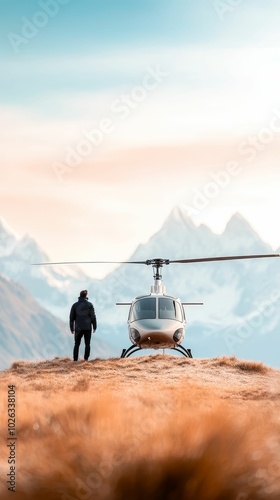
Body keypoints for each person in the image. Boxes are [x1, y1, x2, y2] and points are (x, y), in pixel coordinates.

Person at [69, 290, 97, 361]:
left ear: (80, 296)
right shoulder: (90, 305)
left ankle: (75, 360)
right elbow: (93, 316)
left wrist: (72, 328)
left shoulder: (75, 305)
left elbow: (71, 318)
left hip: (78, 328)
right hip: (87, 328)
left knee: (77, 344)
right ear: (86, 296)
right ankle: (86, 359)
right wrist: (94, 326)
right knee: (87, 344)